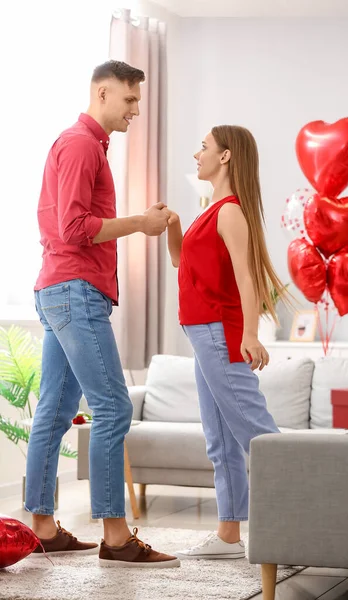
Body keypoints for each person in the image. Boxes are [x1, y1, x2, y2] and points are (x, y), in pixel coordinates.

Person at [25, 60, 180, 568]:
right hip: (75, 291)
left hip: (61, 288)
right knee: (112, 407)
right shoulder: (81, 144)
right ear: (103, 92)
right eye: (130, 100)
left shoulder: (84, 146)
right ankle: (117, 538)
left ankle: (43, 528)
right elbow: (73, 227)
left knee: (53, 410)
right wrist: (140, 223)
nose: (136, 109)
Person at [165, 125, 290, 560]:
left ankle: (302, 525)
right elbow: (184, 263)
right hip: (202, 334)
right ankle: (228, 536)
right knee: (219, 439)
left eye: (203, 147)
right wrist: (174, 226)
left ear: (225, 157)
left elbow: (246, 275)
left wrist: (250, 334)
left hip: (221, 333)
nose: (196, 154)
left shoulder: (231, 212)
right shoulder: (209, 209)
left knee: (258, 435)